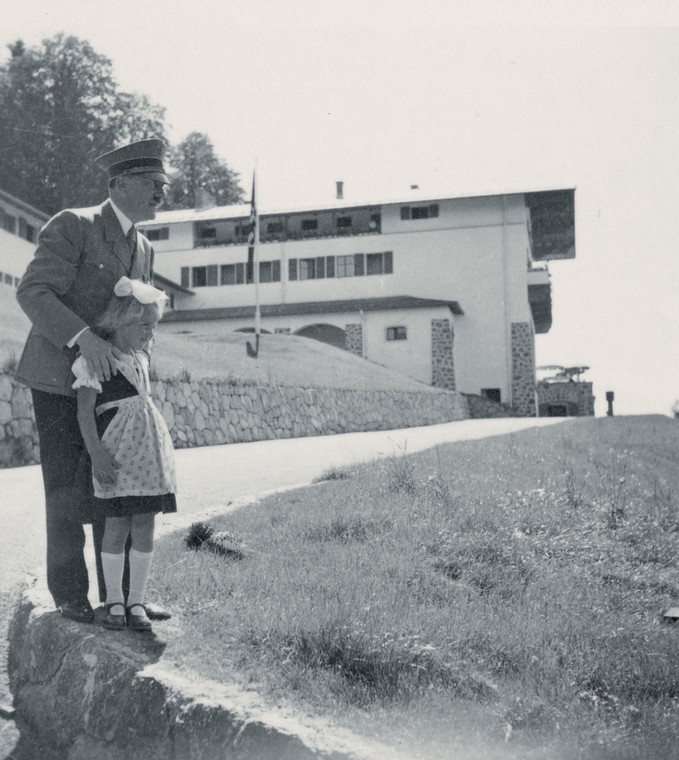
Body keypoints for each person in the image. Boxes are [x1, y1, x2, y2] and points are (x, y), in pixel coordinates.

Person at [15, 139, 172, 623]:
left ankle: (121, 599)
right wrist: (84, 339)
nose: (159, 194)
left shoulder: (143, 246)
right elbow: (33, 291)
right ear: (118, 184)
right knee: (65, 488)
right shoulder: (74, 225)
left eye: (162, 186)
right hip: (60, 380)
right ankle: (69, 594)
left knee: (117, 488)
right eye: (150, 184)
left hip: (115, 393)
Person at [74, 277, 176, 632]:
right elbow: (85, 412)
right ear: (122, 321)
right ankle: (114, 599)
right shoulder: (96, 362)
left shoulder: (141, 358)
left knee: (145, 522)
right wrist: (96, 455)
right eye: (144, 325)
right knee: (116, 524)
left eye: (153, 325)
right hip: (116, 454)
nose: (150, 332)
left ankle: (137, 601)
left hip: (148, 454)